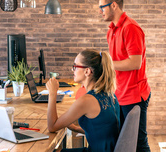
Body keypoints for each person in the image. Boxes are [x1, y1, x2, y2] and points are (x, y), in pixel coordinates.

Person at [98, 0, 152, 151]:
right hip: (120, 94)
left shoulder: (131, 28)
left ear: (114, 5)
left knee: (139, 143)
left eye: (102, 7)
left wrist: (107, 63)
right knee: (123, 141)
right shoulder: (112, 30)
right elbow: (117, 64)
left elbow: (135, 63)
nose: (100, 11)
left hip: (134, 95)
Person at [46, 49, 120, 152]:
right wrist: (76, 129)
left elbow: (52, 127)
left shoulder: (87, 100)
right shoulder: (109, 93)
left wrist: (52, 93)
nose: (73, 70)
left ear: (87, 71)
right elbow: (104, 131)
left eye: (75, 66)